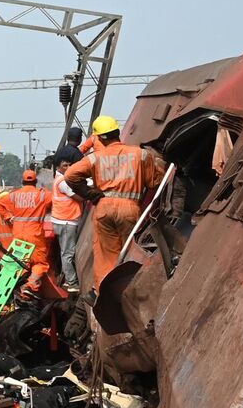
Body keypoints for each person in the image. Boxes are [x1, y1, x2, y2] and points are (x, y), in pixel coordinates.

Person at [62, 115, 168, 288]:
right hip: (130, 208)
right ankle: (130, 289)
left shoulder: (95, 157)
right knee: (131, 251)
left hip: (104, 207)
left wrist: (88, 193)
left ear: (100, 137)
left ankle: (102, 292)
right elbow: (154, 182)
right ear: (117, 132)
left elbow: (70, 175)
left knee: (105, 255)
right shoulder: (140, 155)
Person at [3, 170, 56, 283]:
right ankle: (30, 286)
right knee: (39, 263)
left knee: (19, 261)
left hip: (18, 234)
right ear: (35, 181)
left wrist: (8, 216)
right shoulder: (42, 195)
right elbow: (56, 198)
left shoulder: (14, 195)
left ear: (23, 181)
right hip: (34, 233)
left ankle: (16, 285)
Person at [51, 157, 85, 291]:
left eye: (70, 165)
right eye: (65, 165)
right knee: (68, 253)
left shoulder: (59, 180)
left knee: (67, 251)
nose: (68, 167)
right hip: (66, 221)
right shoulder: (63, 182)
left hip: (64, 220)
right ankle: (71, 282)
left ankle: (69, 279)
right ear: (58, 167)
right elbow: (79, 197)